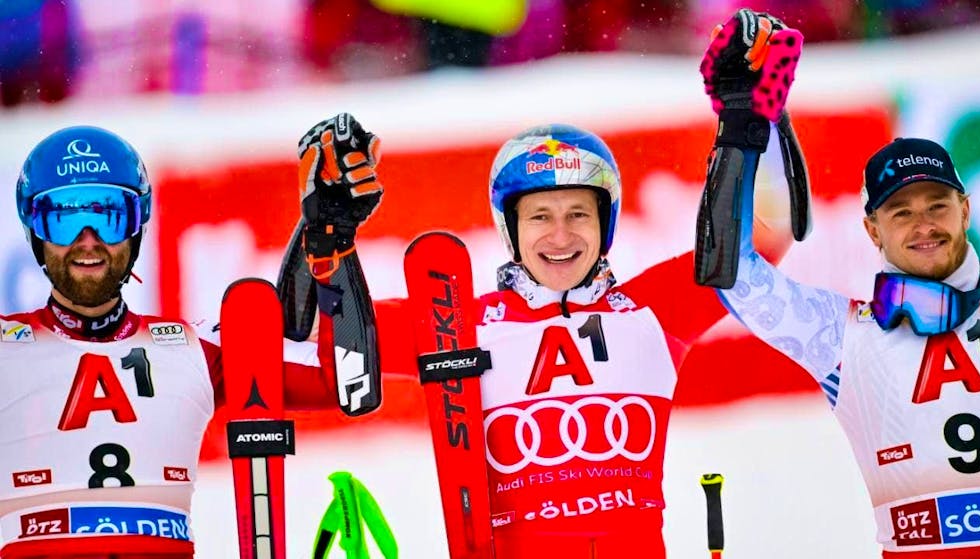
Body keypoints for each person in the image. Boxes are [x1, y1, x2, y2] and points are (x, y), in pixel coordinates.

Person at [294, 102, 794, 554]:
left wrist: (756, 115)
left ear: (606, 223)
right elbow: (313, 326)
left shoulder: (654, 310)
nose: (560, 235)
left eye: (579, 213)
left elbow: (771, 235)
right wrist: (323, 234)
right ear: (509, 228)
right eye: (539, 216)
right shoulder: (458, 322)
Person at [699, 9, 980, 558]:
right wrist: (740, 127)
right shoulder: (842, 335)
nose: (924, 224)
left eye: (937, 205)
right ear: (871, 230)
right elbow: (736, 278)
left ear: (966, 210)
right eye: (901, 212)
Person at [0, 125, 351, 559]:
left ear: (137, 226)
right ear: (34, 230)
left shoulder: (194, 349)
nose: (87, 240)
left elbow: (343, 382)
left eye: (110, 215)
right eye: (64, 217)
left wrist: (333, 245)